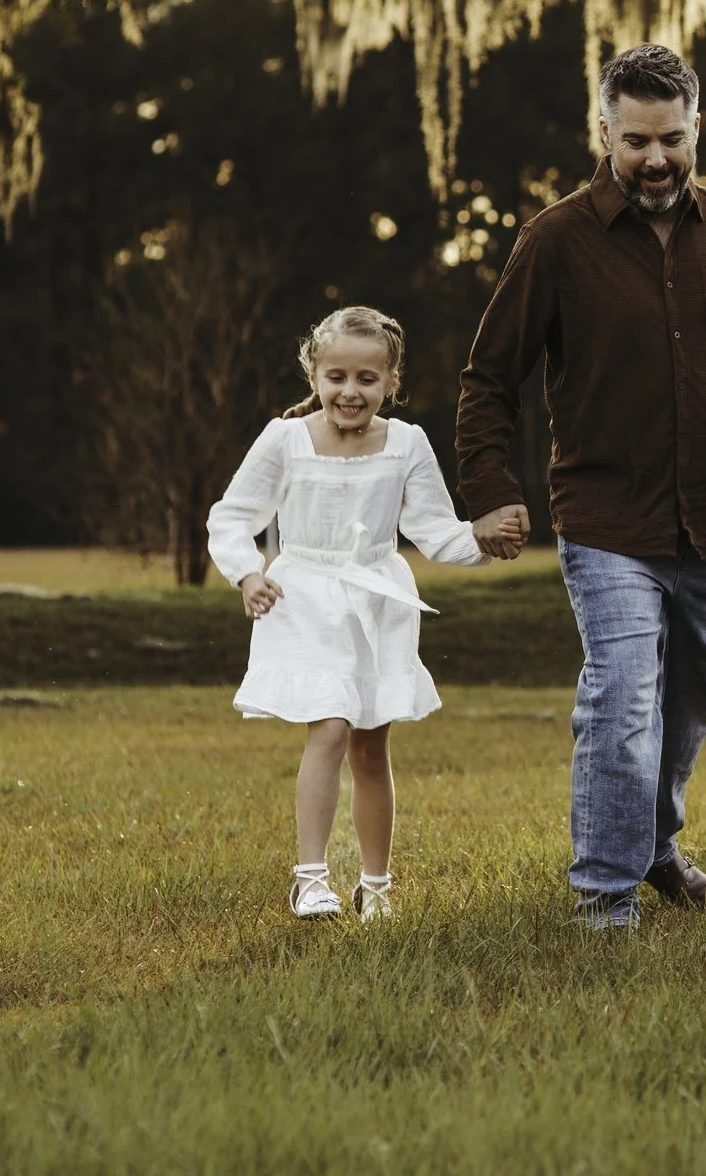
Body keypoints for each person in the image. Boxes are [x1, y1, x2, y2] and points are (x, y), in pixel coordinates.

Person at [456, 44, 706, 930]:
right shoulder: (555, 240)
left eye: (672, 138)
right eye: (636, 141)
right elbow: (487, 378)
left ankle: (655, 842)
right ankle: (605, 896)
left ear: (698, 127)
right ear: (604, 132)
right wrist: (487, 486)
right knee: (622, 698)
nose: (656, 159)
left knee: (695, 695)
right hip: (607, 520)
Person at [205, 305, 501, 922]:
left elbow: (431, 529)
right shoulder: (285, 439)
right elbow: (233, 516)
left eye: (367, 379)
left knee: (371, 743)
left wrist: (484, 538)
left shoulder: (408, 443)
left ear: (391, 383)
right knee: (331, 726)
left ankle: (376, 886)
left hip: (376, 599)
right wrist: (248, 572)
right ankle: (310, 878)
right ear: (314, 374)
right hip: (303, 597)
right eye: (336, 376)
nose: (350, 391)